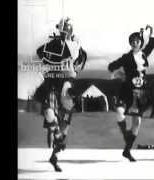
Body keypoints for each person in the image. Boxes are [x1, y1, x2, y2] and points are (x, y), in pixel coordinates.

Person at [33, 17, 87, 172]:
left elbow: (81, 60)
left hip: (68, 81)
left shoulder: (77, 45)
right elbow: (39, 52)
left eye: (67, 29)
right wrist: (51, 56)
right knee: (49, 111)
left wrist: (76, 49)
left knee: (64, 128)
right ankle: (56, 135)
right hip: (53, 80)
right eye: (63, 29)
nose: (65, 32)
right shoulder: (54, 43)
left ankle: (54, 156)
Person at [108, 25, 154, 162]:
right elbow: (111, 66)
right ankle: (126, 135)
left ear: (140, 42)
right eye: (133, 41)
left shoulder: (144, 54)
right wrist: (120, 73)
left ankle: (127, 150)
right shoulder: (126, 57)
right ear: (130, 43)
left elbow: (152, 45)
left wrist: (151, 34)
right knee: (119, 112)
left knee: (137, 121)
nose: (135, 43)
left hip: (141, 91)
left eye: (137, 41)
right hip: (127, 89)